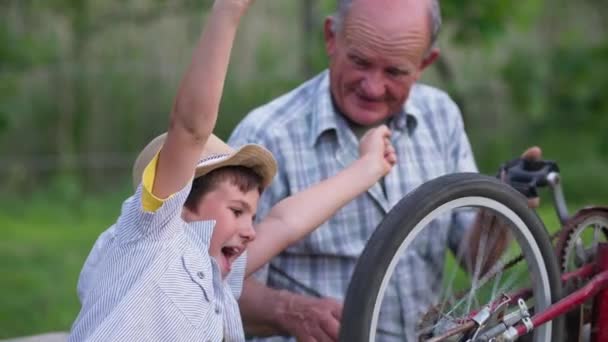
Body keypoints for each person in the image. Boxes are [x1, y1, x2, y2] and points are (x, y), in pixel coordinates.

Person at [68, 1, 397, 341]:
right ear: (180, 203)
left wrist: (368, 168)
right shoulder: (156, 237)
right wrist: (229, 11)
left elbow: (284, 223)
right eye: (237, 211)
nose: (251, 231)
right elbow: (190, 128)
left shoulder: (213, 274)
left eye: (250, 216)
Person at [228, 0, 542, 341]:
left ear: (425, 63)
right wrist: (289, 311)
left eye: (394, 72)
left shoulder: (440, 116)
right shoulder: (266, 138)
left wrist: (497, 213)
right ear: (332, 38)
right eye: (360, 62)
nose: (373, 87)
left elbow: (475, 261)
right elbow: (214, 282)